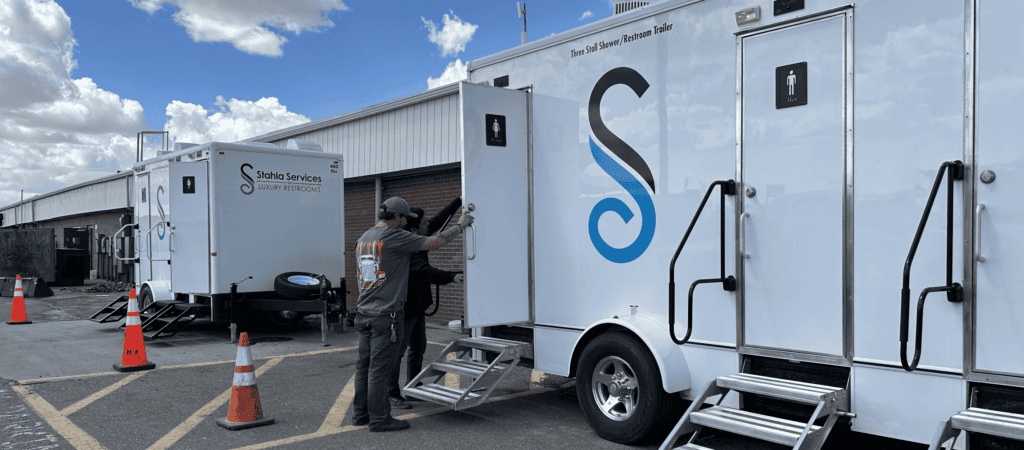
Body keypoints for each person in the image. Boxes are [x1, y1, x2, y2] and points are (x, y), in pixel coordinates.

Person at [351, 196, 473, 432]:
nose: (407, 222)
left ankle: (360, 414)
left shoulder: (364, 238)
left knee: (363, 367)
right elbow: (435, 242)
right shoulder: (392, 236)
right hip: (385, 314)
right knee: (379, 370)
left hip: (364, 312)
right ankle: (379, 419)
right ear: (396, 217)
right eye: (405, 217)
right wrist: (460, 226)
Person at [388, 198, 464, 408]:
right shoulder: (408, 246)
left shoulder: (417, 236)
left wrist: (458, 201)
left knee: (418, 348)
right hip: (404, 308)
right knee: (397, 353)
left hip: (418, 306)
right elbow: (423, 271)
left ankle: (413, 386)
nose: (427, 226)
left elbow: (438, 220)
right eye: (423, 224)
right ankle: (391, 393)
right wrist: (451, 276)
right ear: (413, 229)